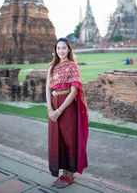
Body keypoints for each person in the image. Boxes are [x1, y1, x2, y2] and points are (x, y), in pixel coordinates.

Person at [46, 37, 88, 188]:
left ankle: (69, 176)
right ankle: (63, 175)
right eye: (58, 48)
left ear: (69, 49)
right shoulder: (52, 66)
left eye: (64, 48)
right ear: (55, 50)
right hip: (53, 107)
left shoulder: (72, 66)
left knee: (69, 140)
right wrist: (50, 109)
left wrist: (59, 110)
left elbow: (73, 91)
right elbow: (47, 89)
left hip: (66, 108)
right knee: (57, 141)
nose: (61, 51)